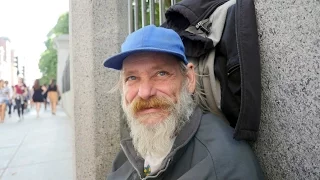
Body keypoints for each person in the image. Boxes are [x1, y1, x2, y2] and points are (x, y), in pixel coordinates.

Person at [103, 25, 263, 180]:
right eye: (132, 77)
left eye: (161, 73)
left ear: (189, 79)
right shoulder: (128, 153)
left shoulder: (224, 163)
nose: (145, 92)